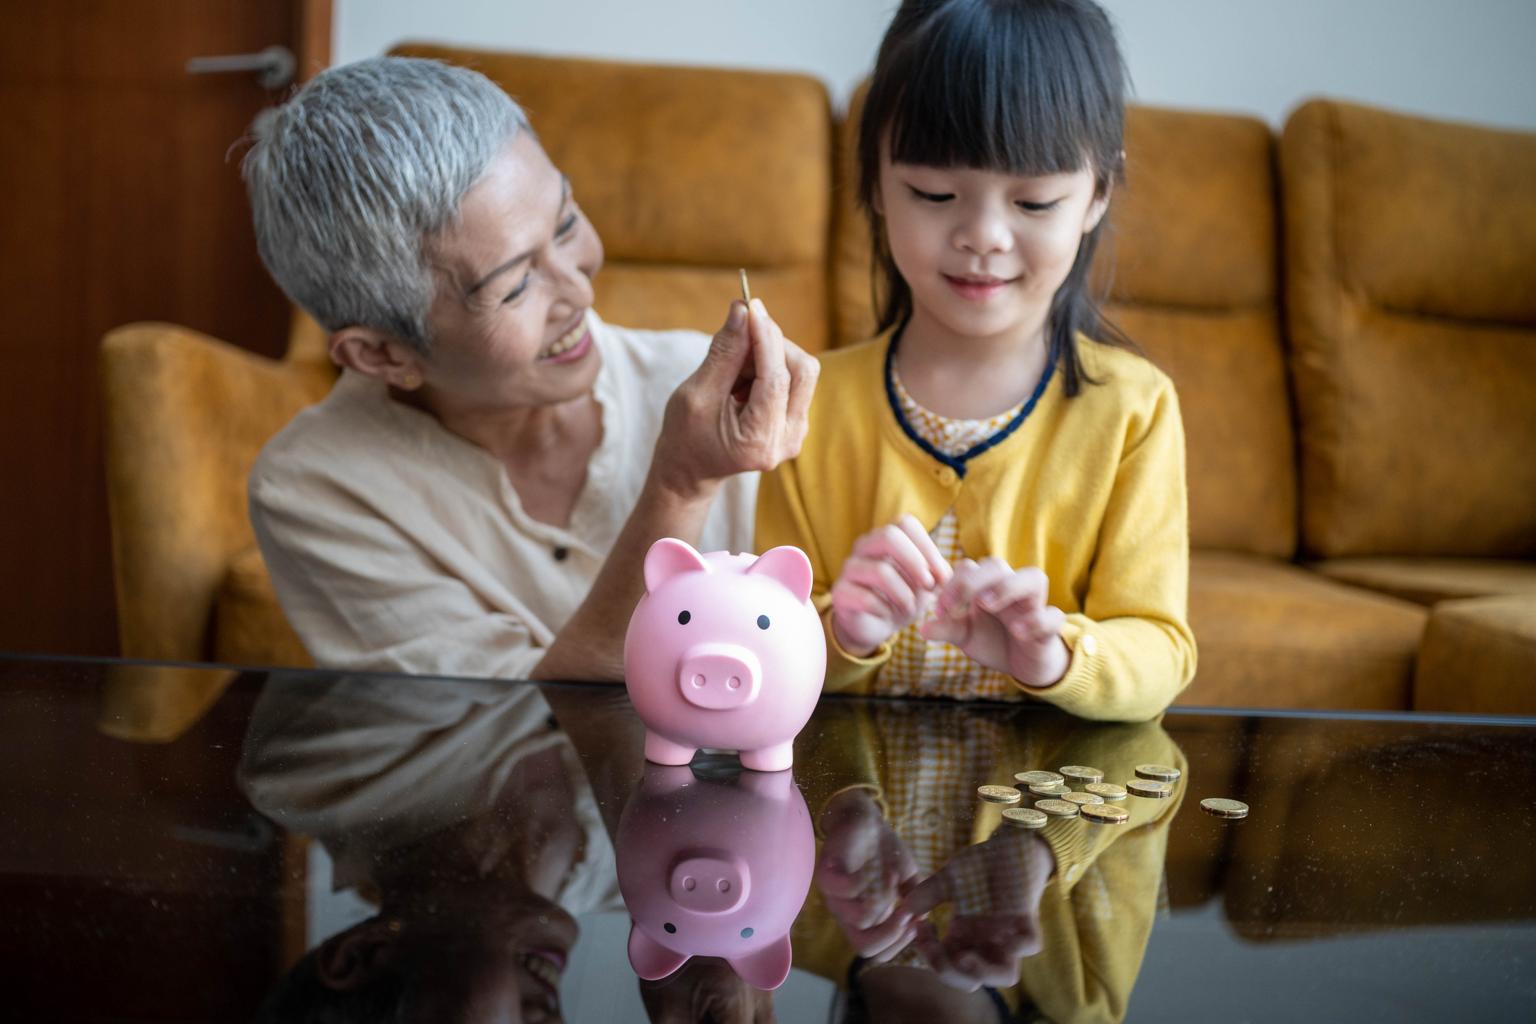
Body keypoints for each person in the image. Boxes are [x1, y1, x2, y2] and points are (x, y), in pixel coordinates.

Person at [243, 56, 817, 682]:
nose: (578, 290)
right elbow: (513, 741)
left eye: (567, 223)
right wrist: (679, 487)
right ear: (384, 355)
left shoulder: (711, 392)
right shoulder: (315, 490)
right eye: (515, 286)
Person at [756, 0, 1195, 720]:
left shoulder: (1133, 408)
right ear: (872, 182)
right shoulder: (815, 403)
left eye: (1035, 202)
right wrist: (837, 632)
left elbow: (1160, 648)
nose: (983, 236)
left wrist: (1056, 655)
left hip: (1047, 822)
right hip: (846, 814)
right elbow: (766, 638)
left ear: (1097, 194)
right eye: (934, 194)